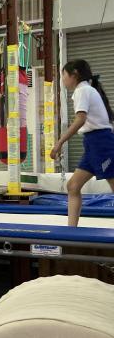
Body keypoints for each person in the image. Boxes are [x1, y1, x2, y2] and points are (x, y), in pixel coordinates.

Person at [50, 59, 114, 226]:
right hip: (92, 144)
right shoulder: (86, 90)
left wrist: (59, 142)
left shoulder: (83, 90)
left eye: (64, 75)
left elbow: (81, 119)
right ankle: (71, 230)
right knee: (73, 186)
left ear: (75, 74)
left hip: (101, 143)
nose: (63, 79)